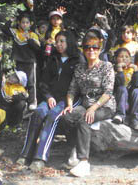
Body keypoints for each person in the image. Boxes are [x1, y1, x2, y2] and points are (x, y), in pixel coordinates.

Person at [18, 31, 83, 171]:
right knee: (38, 112)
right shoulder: (53, 59)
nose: (58, 44)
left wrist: (68, 100)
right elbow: (43, 82)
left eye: (62, 41)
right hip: (51, 97)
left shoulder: (78, 60)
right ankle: (26, 154)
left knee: (53, 116)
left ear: (69, 42)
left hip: (69, 99)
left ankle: (40, 157)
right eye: (57, 41)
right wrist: (48, 96)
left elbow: (78, 85)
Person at [60, 37, 116, 177]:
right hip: (85, 105)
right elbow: (72, 89)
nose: (91, 50)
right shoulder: (80, 68)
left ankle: (84, 161)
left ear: (100, 49)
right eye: (87, 47)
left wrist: (94, 108)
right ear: (83, 50)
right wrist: (70, 105)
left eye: (95, 47)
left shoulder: (106, 66)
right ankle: (74, 149)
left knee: (85, 120)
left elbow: (108, 92)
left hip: (104, 106)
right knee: (67, 116)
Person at [3, 12, 41, 110]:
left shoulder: (33, 34)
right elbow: (4, 29)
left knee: (31, 83)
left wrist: (29, 39)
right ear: (19, 23)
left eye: (27, 22)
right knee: (18, 82)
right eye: (23, 22)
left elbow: (37, 48)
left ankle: (32, 101)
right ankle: (22, 100)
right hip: (18, 61)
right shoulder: (16, 32)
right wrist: (11, 19)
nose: (25, 24)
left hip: (30, 62)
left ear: (30, 24)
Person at [112, 48, 137, 124]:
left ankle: (135, 117)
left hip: (130, 99)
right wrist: (119, 68)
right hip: (118, 97)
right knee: (122, 88)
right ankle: (120, 115)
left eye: (126, 57)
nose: (124, 59)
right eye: (121, 56)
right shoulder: (112, 69)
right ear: (116, 59)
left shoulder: (132, 69)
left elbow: (137, 84)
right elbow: (121, 83)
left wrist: (136, 71)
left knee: (137, 91)